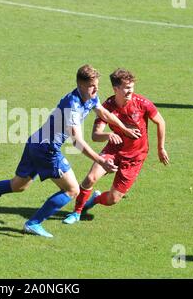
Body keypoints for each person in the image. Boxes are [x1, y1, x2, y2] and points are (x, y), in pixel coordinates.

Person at [0, 65, 142, 238]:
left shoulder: (91, 96)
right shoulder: (73, 106)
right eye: (92, 86)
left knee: (18, 185)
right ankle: (34, 223)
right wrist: (100, 160)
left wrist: (123, 129)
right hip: (47, 149)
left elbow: (104, 113)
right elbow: (77, 142)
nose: (96, 90)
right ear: (80, 85)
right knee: (72, 190)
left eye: (97, 86)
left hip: (35, 142)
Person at [62, 68, 169, 224]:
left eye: (131, 87)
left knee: (113, 199)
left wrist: (160, 148)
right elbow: (95, 135)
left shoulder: (142, 103)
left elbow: (160, 122)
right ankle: (76, 212)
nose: (130, 91)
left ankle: (95, 199)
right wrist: (109, 135)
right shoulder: (107, 106)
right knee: (90, 178)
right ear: (116, 89)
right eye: (126, 88)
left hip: (135, 157)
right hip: (113, 151)